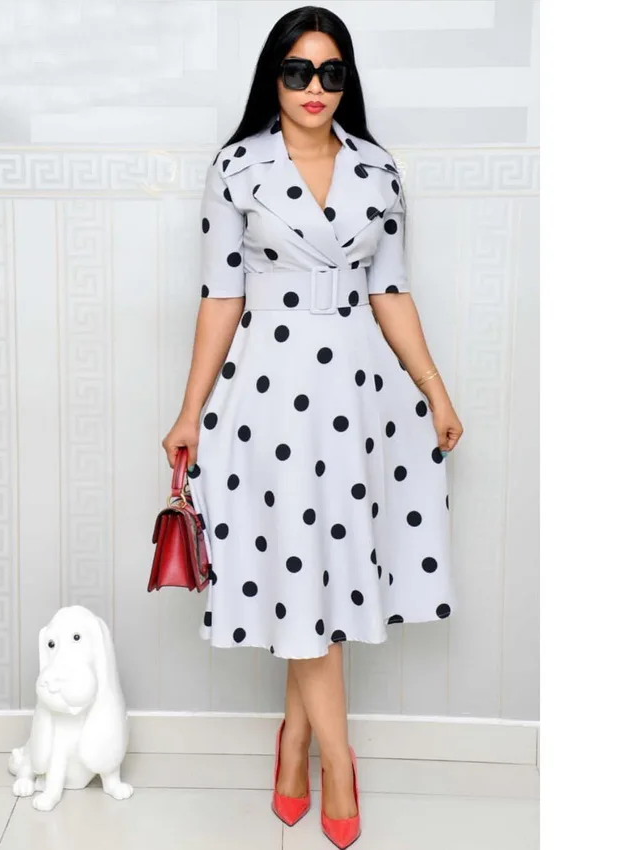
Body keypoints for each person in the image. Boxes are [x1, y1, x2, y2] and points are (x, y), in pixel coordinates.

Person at [162, 6, 463, 848]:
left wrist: (435, 391)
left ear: (346, 80)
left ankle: (293, 740)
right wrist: (189, 410)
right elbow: (220, 297)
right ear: (274, 77)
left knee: (329, 571)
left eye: (331, 72)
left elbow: (391, 291)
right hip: (268, 396)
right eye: (298, 71)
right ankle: (337, 755)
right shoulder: (238, 167)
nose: (315, 88)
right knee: (302, 564)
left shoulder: (377, 169)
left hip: (360, 399)